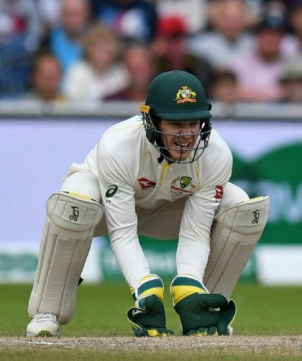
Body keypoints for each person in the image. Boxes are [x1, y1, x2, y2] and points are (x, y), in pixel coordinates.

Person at [26, 70, 270, 337]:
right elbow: (122, 232)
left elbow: (196, 232)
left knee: (239, 206)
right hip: (103, 213)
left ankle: (202, 311)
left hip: (166, 212)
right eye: (176, 125)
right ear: (151, 120)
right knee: (76, 195)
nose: (187, 135)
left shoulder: (217, 154)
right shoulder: (118, 145)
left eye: (194, 123)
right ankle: (46, 312)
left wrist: (188, 283)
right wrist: (143, 286)